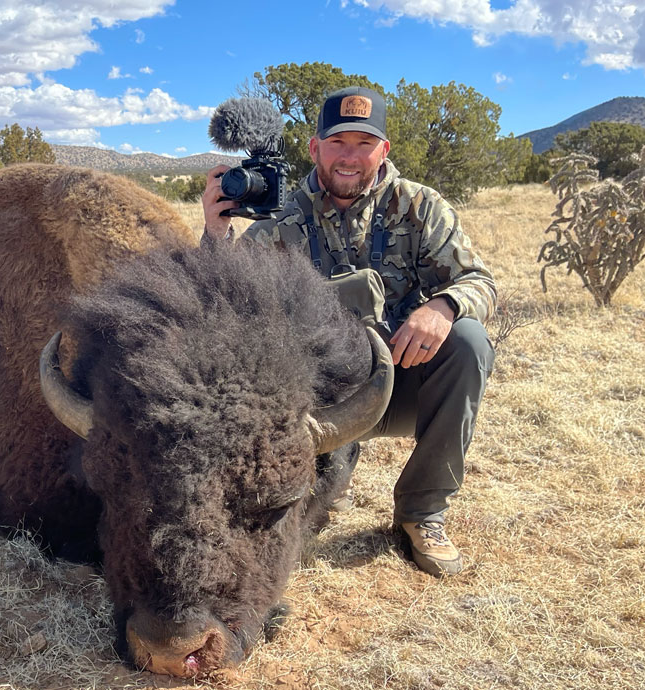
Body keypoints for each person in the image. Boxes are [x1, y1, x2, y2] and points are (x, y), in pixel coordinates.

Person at [201, 86, 496, 577]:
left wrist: (443, 307)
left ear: (384, 151)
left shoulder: (420, 207)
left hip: (401, 382)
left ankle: (421, 512)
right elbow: (222, 304)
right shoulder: (281, 220)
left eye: (364, 143)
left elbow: (479, 282)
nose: (350, 157)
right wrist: (215, 236)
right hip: (318, 401)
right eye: (338, 142)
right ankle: (316, 485)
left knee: (468, 343)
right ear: (315, 148)